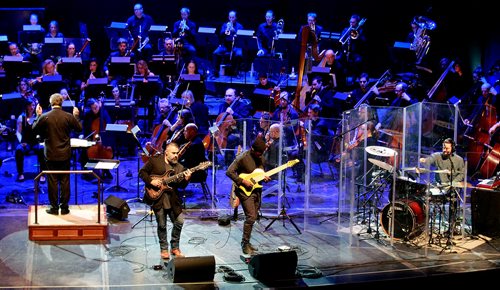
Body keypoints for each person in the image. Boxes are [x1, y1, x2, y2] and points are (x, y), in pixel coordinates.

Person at [139, 142, 192, 259]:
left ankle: (175, 247)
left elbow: (181, 186)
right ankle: (163, 249)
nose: (176, 156)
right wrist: (151, 181)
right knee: (162, 225)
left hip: (173, 200)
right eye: (173, 153)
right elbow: (142, 173)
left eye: (177, 153)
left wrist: (186, 179)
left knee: (179, 222)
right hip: (158, 198)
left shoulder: (179, 168)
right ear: (166, 153)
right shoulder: (155, 161)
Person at [32, 93, 82, 215]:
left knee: (52, 181)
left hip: (51, 154)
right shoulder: (68, 116)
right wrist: (76, 116)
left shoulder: (45, 116)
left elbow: (34, 129)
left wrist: (37, 115)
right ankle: (64, 208)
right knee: (65, 180)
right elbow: (79, 128)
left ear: (51, 102)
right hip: (65, 154)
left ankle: (54, 208)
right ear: (61, 103)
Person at [226, 137, 271, 255]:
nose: (260, 155)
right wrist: (242, 181)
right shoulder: (242, 158)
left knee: (254, 217)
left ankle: (248, 242)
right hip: (244, 190)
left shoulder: (261, 157)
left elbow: (260, 172)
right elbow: (229, 172)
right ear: (252, 149)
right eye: (258, 152)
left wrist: (264, 177)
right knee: (251, 217)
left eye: (262, 153)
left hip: (257, 189)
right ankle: (244, 243)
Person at [15, 97, 46, 183]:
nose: (31, 107)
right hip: (26, 142)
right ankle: (20, 173)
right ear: (26, 106)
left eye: (33, 105)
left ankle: (42, 174)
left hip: (36, 142)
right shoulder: (21, 117)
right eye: (29, 105)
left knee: (43, 149)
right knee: (19, 150)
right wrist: (21, 142)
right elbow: (18, 132)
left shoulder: (39, 117)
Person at [212, 10, 244, 78]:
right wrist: (227, 29)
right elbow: (221, 35)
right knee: (215, 53)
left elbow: (241, 37)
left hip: (236, 45)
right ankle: (215, 73)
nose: (231, 19)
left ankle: (236, 72)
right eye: (230, 17)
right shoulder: (225, 25)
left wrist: (234, 31)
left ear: (236, 18)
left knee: (239, 54)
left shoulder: (239, 26)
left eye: (233, 17)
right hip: (225, 45)